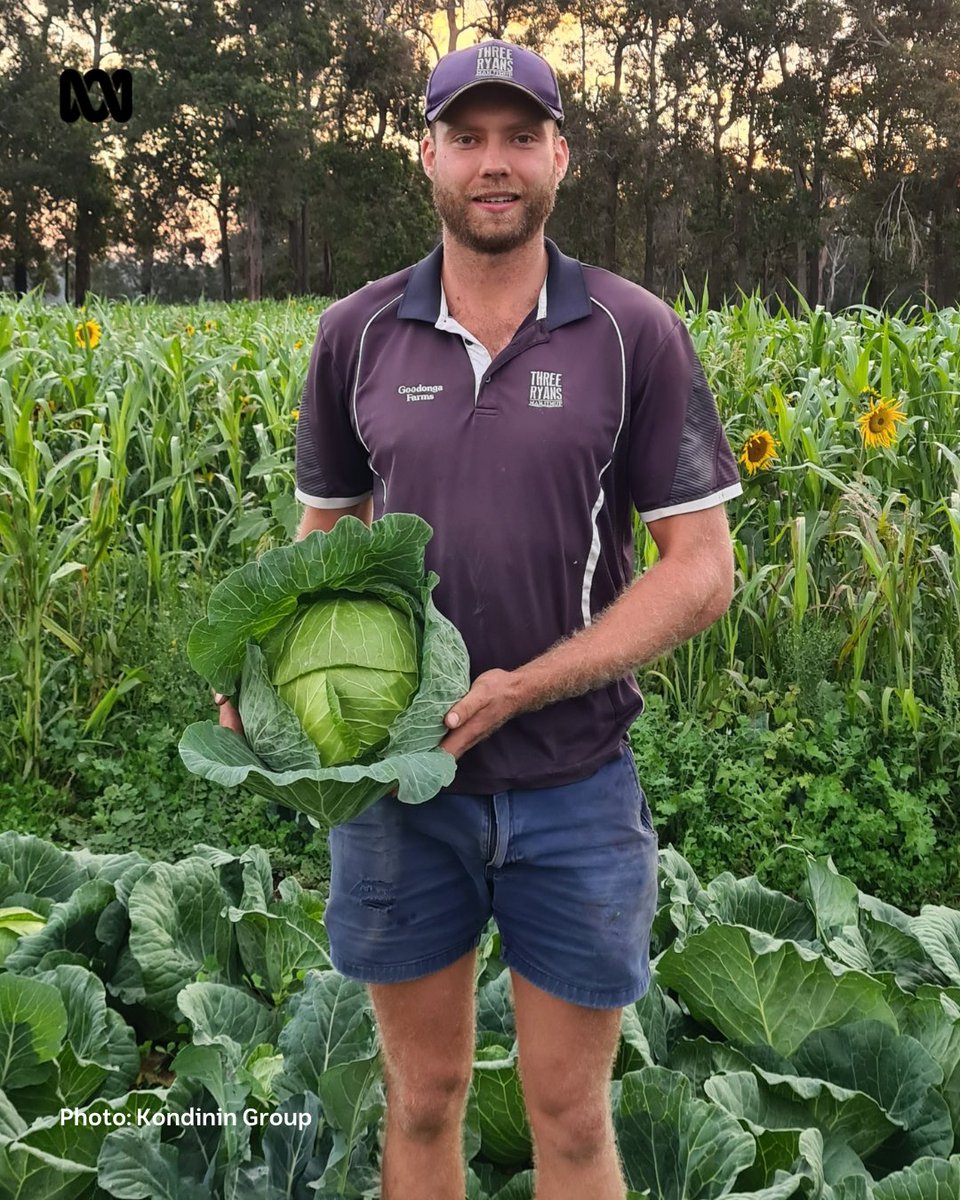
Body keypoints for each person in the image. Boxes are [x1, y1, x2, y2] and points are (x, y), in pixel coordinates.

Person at [216, 37, 742, 1200]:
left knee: (568, 1113)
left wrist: (527, 684)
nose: (492, 163)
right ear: (428, 156)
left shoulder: (631, 330)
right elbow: (327, 543)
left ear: (561, 154)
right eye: (467, 137)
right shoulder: (355, 334)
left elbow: (702, 569)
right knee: (423, 1100)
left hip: (576, 782)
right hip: (400, 794)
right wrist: (266, 663)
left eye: (517, 137)